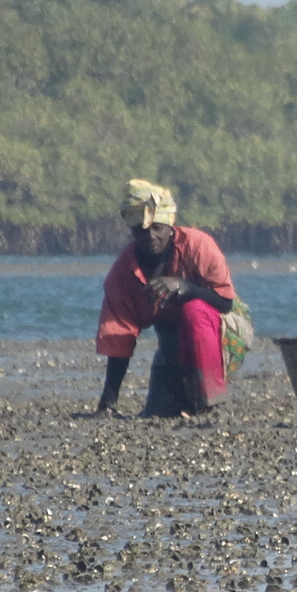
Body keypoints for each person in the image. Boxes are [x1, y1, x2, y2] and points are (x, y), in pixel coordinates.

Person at [91, 179, 242, 418]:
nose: (150, 236)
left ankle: (210, 402)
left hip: (223, 336)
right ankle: (184, 390)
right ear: (132, 231)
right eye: (141, 229)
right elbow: (119, 335)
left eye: (157, 228)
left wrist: (185, 287)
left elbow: (225, 302)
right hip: (173, 346)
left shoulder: (198, 246)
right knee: (156, 414)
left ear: (170, 226)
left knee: (193, 310)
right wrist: (107, 403)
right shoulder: (123, 273)